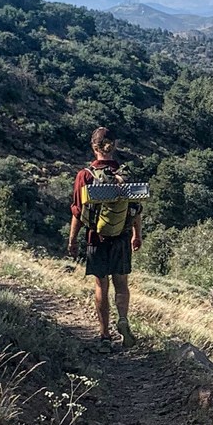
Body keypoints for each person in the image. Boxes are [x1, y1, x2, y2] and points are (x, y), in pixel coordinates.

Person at [68, 126, 143, 349]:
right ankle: (123, 320)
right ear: (114, 146)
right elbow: (136, 208)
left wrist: (72, 240)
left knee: (101, 286)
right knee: (122, 285)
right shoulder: (125, 174)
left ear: (94, 147)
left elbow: (78, 212)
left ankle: (104, 336)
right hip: (121, 236)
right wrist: (137, 235)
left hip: (96, 238)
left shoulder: (85, 175)